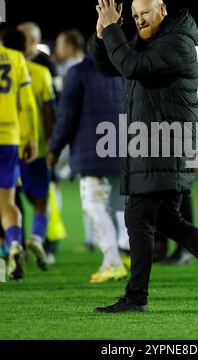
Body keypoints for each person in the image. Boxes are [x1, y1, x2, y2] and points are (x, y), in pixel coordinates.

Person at [92, 0, 198, 313]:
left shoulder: (176, 43)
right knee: (168, 220)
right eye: (134, 17)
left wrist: (113, 31)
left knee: (138, 217)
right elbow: (110, 66)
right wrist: (101, 35)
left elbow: (131, 65)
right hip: (153, 145)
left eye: (145, 13)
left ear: (162, 9)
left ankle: (136, 298)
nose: (139, 21)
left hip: (161, 144)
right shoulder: (151, 43)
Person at [48, 48, 129, 283]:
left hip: (92, 149)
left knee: (93, 204)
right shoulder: (125, 68)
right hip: (123, 147)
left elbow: (67, 115)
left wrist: (54, 148)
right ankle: (126, 252)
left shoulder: (79, 72)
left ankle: (113, 261)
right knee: (121, 204)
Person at [2, 29, 55, 271]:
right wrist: (45, 142)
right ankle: (33, 239)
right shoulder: (38, 71)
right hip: (28, 144)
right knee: (38, 200)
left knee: (8, 201)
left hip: (13, 140)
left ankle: (11, 246)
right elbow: (43, 111)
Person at [0, 38, 38, 279]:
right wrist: (31, 139)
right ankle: (15, 243)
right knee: (7, 201)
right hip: (9, 137)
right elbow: (28, 104)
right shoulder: (15, 58)